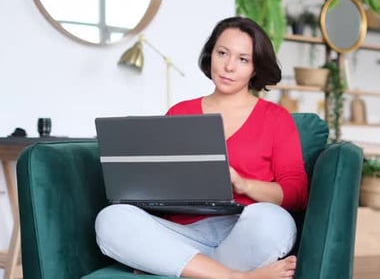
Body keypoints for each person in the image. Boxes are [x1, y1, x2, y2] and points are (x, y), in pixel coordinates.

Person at [95, 16, 308, 279]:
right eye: (222, 53)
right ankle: (233, 276)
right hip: (184, 234)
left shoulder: (276, 118)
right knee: (111, 219)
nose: (229, 66)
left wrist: (243, 184)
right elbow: (160, 181)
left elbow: (296, 193)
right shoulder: (180, 112)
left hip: (242, 231)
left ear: (255, 68)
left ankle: (181, 267)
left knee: (274, 221)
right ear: (211, 55)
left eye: (243, 59)